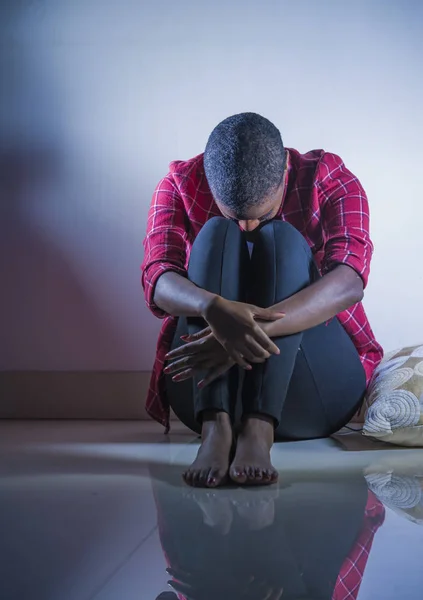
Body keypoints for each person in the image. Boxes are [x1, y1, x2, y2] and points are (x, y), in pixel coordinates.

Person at [141, 113, 383, 488]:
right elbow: (156, 278)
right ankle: (215, 430)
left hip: (310, 390)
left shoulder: (329, 178)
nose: (247, 228)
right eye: (236, 215)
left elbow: (350, 281)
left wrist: (242, 333)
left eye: (260, 214)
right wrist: (213, 309)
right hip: (204, 390)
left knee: (280, 239)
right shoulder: (179, 183)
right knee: (215, 233)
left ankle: (259, 428)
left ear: (285, 172)